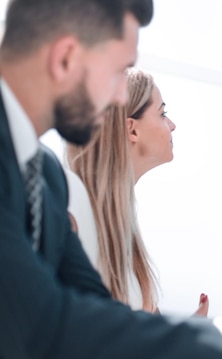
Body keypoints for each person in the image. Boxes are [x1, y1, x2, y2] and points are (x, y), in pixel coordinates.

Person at [0, 0, 222, 358]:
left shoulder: (46, 175)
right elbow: (43, 325)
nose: (119, 98)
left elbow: (101, 313)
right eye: (118, 72)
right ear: (65, 58)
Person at [64, 67, 207, 316]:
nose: (172, 125)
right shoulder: (71, 203)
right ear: (132, 130)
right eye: (162, 114)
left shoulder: (122, 220)